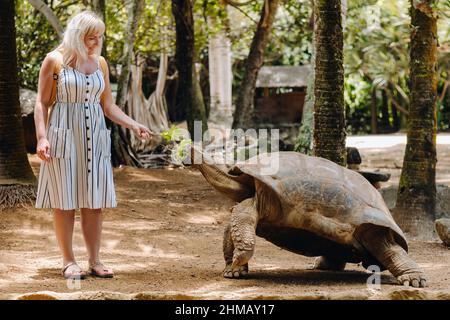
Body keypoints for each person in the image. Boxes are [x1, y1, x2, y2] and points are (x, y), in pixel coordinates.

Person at [34, 11, 152, 279]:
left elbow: (107, 105)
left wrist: (133, 124)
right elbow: (42, 103)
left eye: (98, 37)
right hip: (63, 134)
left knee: (94, 201)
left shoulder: (100, 63)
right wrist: (42, 137)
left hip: (95, 136)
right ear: (77, 35)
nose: (95, 42)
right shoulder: (55, 60)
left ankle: (95, 261)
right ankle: (68, 261)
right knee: (64, 201)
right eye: (90, 37)